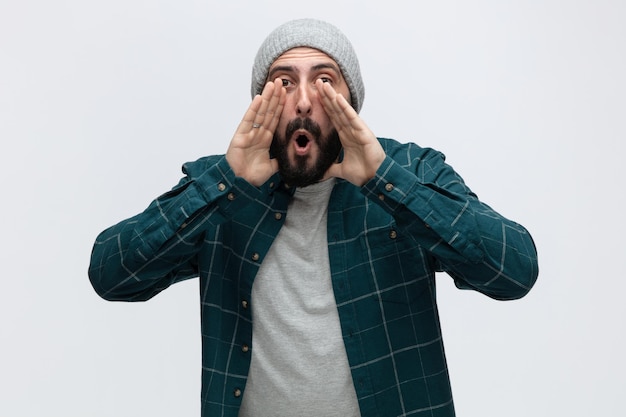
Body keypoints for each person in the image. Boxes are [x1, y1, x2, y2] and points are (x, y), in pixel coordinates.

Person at [89, 18, 538, 417]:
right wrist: (225, 184)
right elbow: (112, 274)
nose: (303, 101)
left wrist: (384, 180)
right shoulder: (222, 183)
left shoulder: (412, 171)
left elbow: (514, 270)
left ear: (350, 101)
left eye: (324, 80)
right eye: (283, 83)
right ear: (261, 102)